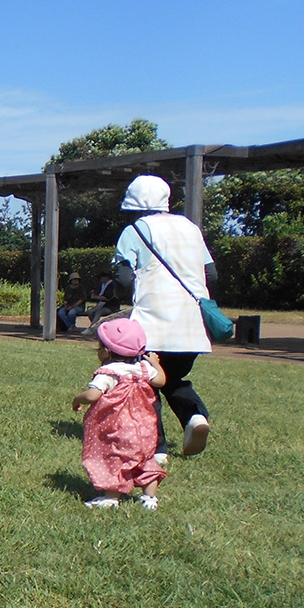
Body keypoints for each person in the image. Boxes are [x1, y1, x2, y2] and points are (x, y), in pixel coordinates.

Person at [113, 174, 217, 461]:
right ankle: (195, 418)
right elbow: (212, 274)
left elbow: (123, 277)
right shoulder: (190, 227)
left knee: (147, 383)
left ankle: (157, 448)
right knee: (173, 378)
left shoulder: (134, 231)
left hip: (153, 322)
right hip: (193, 324)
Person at [72, 318, 168, 510]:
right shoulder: (143, 369)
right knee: (145, 458)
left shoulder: (109, 372)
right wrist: (156, 363)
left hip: (117, 428)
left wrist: (76, 399)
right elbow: (161, 381)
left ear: (106, 352)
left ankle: (111, 497)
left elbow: (92, 395)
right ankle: (149, 498)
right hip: (144, 427)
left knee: (114, 459)